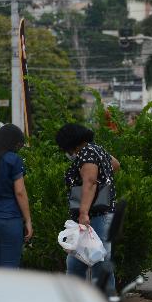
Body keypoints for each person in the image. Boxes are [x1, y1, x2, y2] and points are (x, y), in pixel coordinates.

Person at [55, 123, 120, 291]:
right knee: (77, 262)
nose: (66, 153)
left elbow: (90, 182)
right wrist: (104, 180)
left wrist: (84, 212)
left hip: (94, 216)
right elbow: (115, 165)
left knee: (98, 262)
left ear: (72, 144)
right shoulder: (97, 150)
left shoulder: (86, 154)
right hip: (101, 214)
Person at [0, 124, 32, 267]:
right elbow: (20, 192)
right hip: (8, 218)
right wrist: (28, 220)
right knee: (9, 269)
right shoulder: (13, 159)